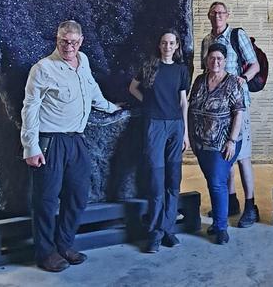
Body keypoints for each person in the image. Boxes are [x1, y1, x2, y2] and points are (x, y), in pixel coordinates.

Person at [20, 20, 122, 273]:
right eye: (64, 41)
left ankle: (64, 245)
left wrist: (111, 107)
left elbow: (92, 90)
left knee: (77, 195)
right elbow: (30, 108)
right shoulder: (42, 68)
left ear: (81, 42)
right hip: (51, 140)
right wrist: (31, 147)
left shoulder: (83, 61)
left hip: (76, 139)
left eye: (74, 42)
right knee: (45, 199)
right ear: (57, 39)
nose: (69, 47)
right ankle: (45, 253)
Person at [128, 31, 190, 253]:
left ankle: (167, 230)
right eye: (164, 42)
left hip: (175, 126)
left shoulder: (181, 70)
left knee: (173, 182)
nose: (167, 46)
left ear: (176, 46)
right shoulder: (149, 66)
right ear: (159, 44)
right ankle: (154, 233)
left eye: (171, 43)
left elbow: (184, 102)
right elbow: (132, 88)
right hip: (154, 125)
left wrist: (185, 133)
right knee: (156, 182)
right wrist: (148, 103)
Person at [200, 1, 260, 228]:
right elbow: (206, 72)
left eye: (221, 13)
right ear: (208, 16)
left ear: (228, 15)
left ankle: (250, 206)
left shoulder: (237, 35)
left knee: (242, 156)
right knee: (222, 154)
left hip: (237, 106)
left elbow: (254, 65)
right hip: (215, 109)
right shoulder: (207, 41)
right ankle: (231, 200)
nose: (218, 16)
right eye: (214, 13)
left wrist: (240, 80)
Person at [189, 43, 244, 244]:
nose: (215, 62)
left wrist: (231, 140)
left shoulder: (231, 83)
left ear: (225, 61)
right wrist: (191, 137)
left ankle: (221, 228)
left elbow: (239, 112)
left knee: (217, 182)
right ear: (206, 61)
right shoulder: (199, 81)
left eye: (219, 58)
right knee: (213, 182)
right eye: (212, 58)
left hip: (223, 144)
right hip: (201, 144)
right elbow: (191, 109)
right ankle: (218, 222)